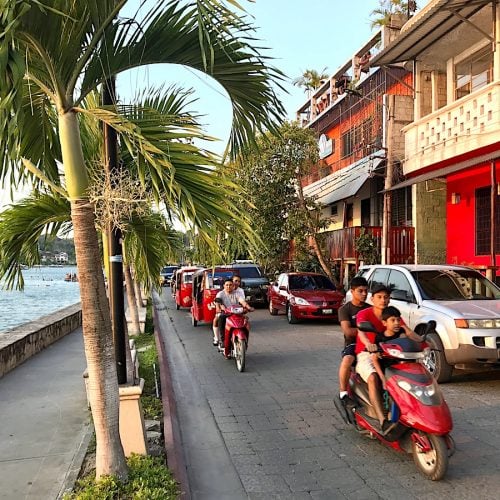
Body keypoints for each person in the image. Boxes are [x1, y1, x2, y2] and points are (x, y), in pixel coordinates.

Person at [354, 284, 395, 430]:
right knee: (373, 377)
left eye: (386, 297)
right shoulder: (364, 314)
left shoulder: (392, 315)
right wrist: (368, 344)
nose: (383, 300)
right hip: (366, 354)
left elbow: (405, 331)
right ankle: (382, 420)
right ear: (372, 299)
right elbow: (361, 332)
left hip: (389, 353)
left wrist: (421, 341)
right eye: (379, 297)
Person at [371, 306, 423, 390]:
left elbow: (419, 339)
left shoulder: (402, 333)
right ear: (384, 323)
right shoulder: (380, 338)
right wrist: (382, 378)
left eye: (398, 320)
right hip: (388, 371)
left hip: (405, 368)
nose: (396, 323)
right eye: (392, 320)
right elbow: (375, 358)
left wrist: (406, 329)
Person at [337, 277, 370, 405]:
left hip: (371, 343)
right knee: (347, 360)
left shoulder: (371, 308)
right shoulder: (344, 310)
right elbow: (348, 332)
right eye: (360, 291)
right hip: (353, 344)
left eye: (366, 291)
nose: (364, 294)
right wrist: (365, 331)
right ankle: (343, 393)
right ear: (352, 291)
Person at [213, 279, 253, 356]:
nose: (228, 286)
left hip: (236, 313)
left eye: (230, 285)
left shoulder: (237, 293)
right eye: (227, 285)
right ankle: (222, 340)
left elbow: (242, 301)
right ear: (224, 286)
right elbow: (218, 302)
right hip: (225, 313)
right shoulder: (220, 294)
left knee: (246, 321)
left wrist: (248, 307)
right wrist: (218, 308)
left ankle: (244, 339)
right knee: (220, 318)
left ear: (233, 286)